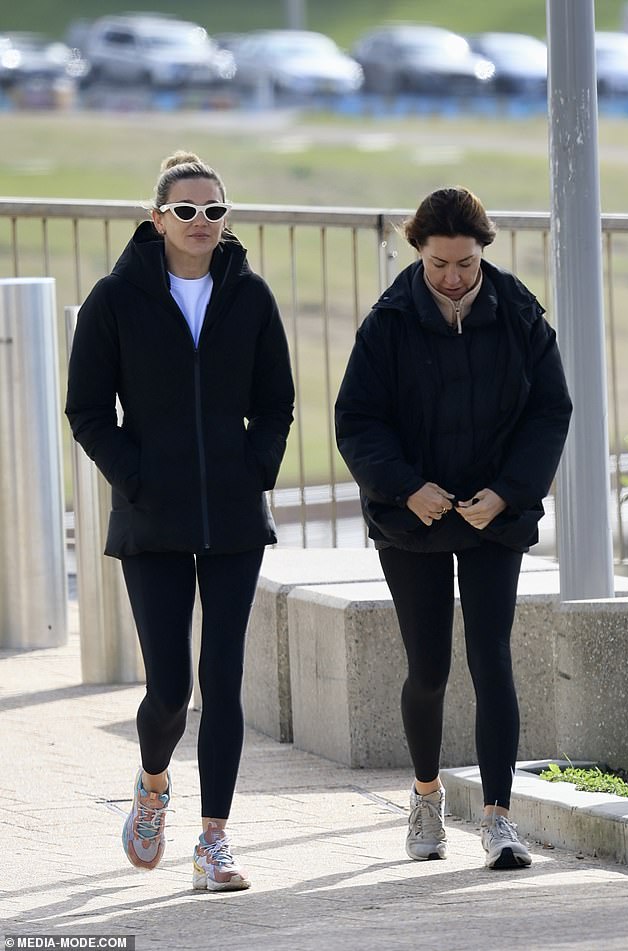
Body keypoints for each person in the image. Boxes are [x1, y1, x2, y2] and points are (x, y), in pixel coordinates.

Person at [66, 151, 294, 891]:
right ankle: (154, 783)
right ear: (156, 217)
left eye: (215, 211)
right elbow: (88, 409)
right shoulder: (116, 298)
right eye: (187, 211)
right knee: (168, 687)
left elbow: (278, 400)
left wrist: (253, 467)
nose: (203, 224)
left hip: (232, 513)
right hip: (152, 518)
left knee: (221, 678)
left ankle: (214, 841)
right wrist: (136, 476)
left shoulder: (251, 297)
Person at [335, 186, 572, 869]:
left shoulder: (519, 311)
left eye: (465, 263)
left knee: (491, 657)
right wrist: (409, 488)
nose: (453, 277)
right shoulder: (387, 323)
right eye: (439, 264)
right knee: (430, 666)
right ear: (418, 253)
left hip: (493, 515)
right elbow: (358, 420)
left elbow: (550, 410)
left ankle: (499, 817)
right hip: (413, 518)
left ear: (482, 252)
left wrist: (507, 492)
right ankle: (427, 796)